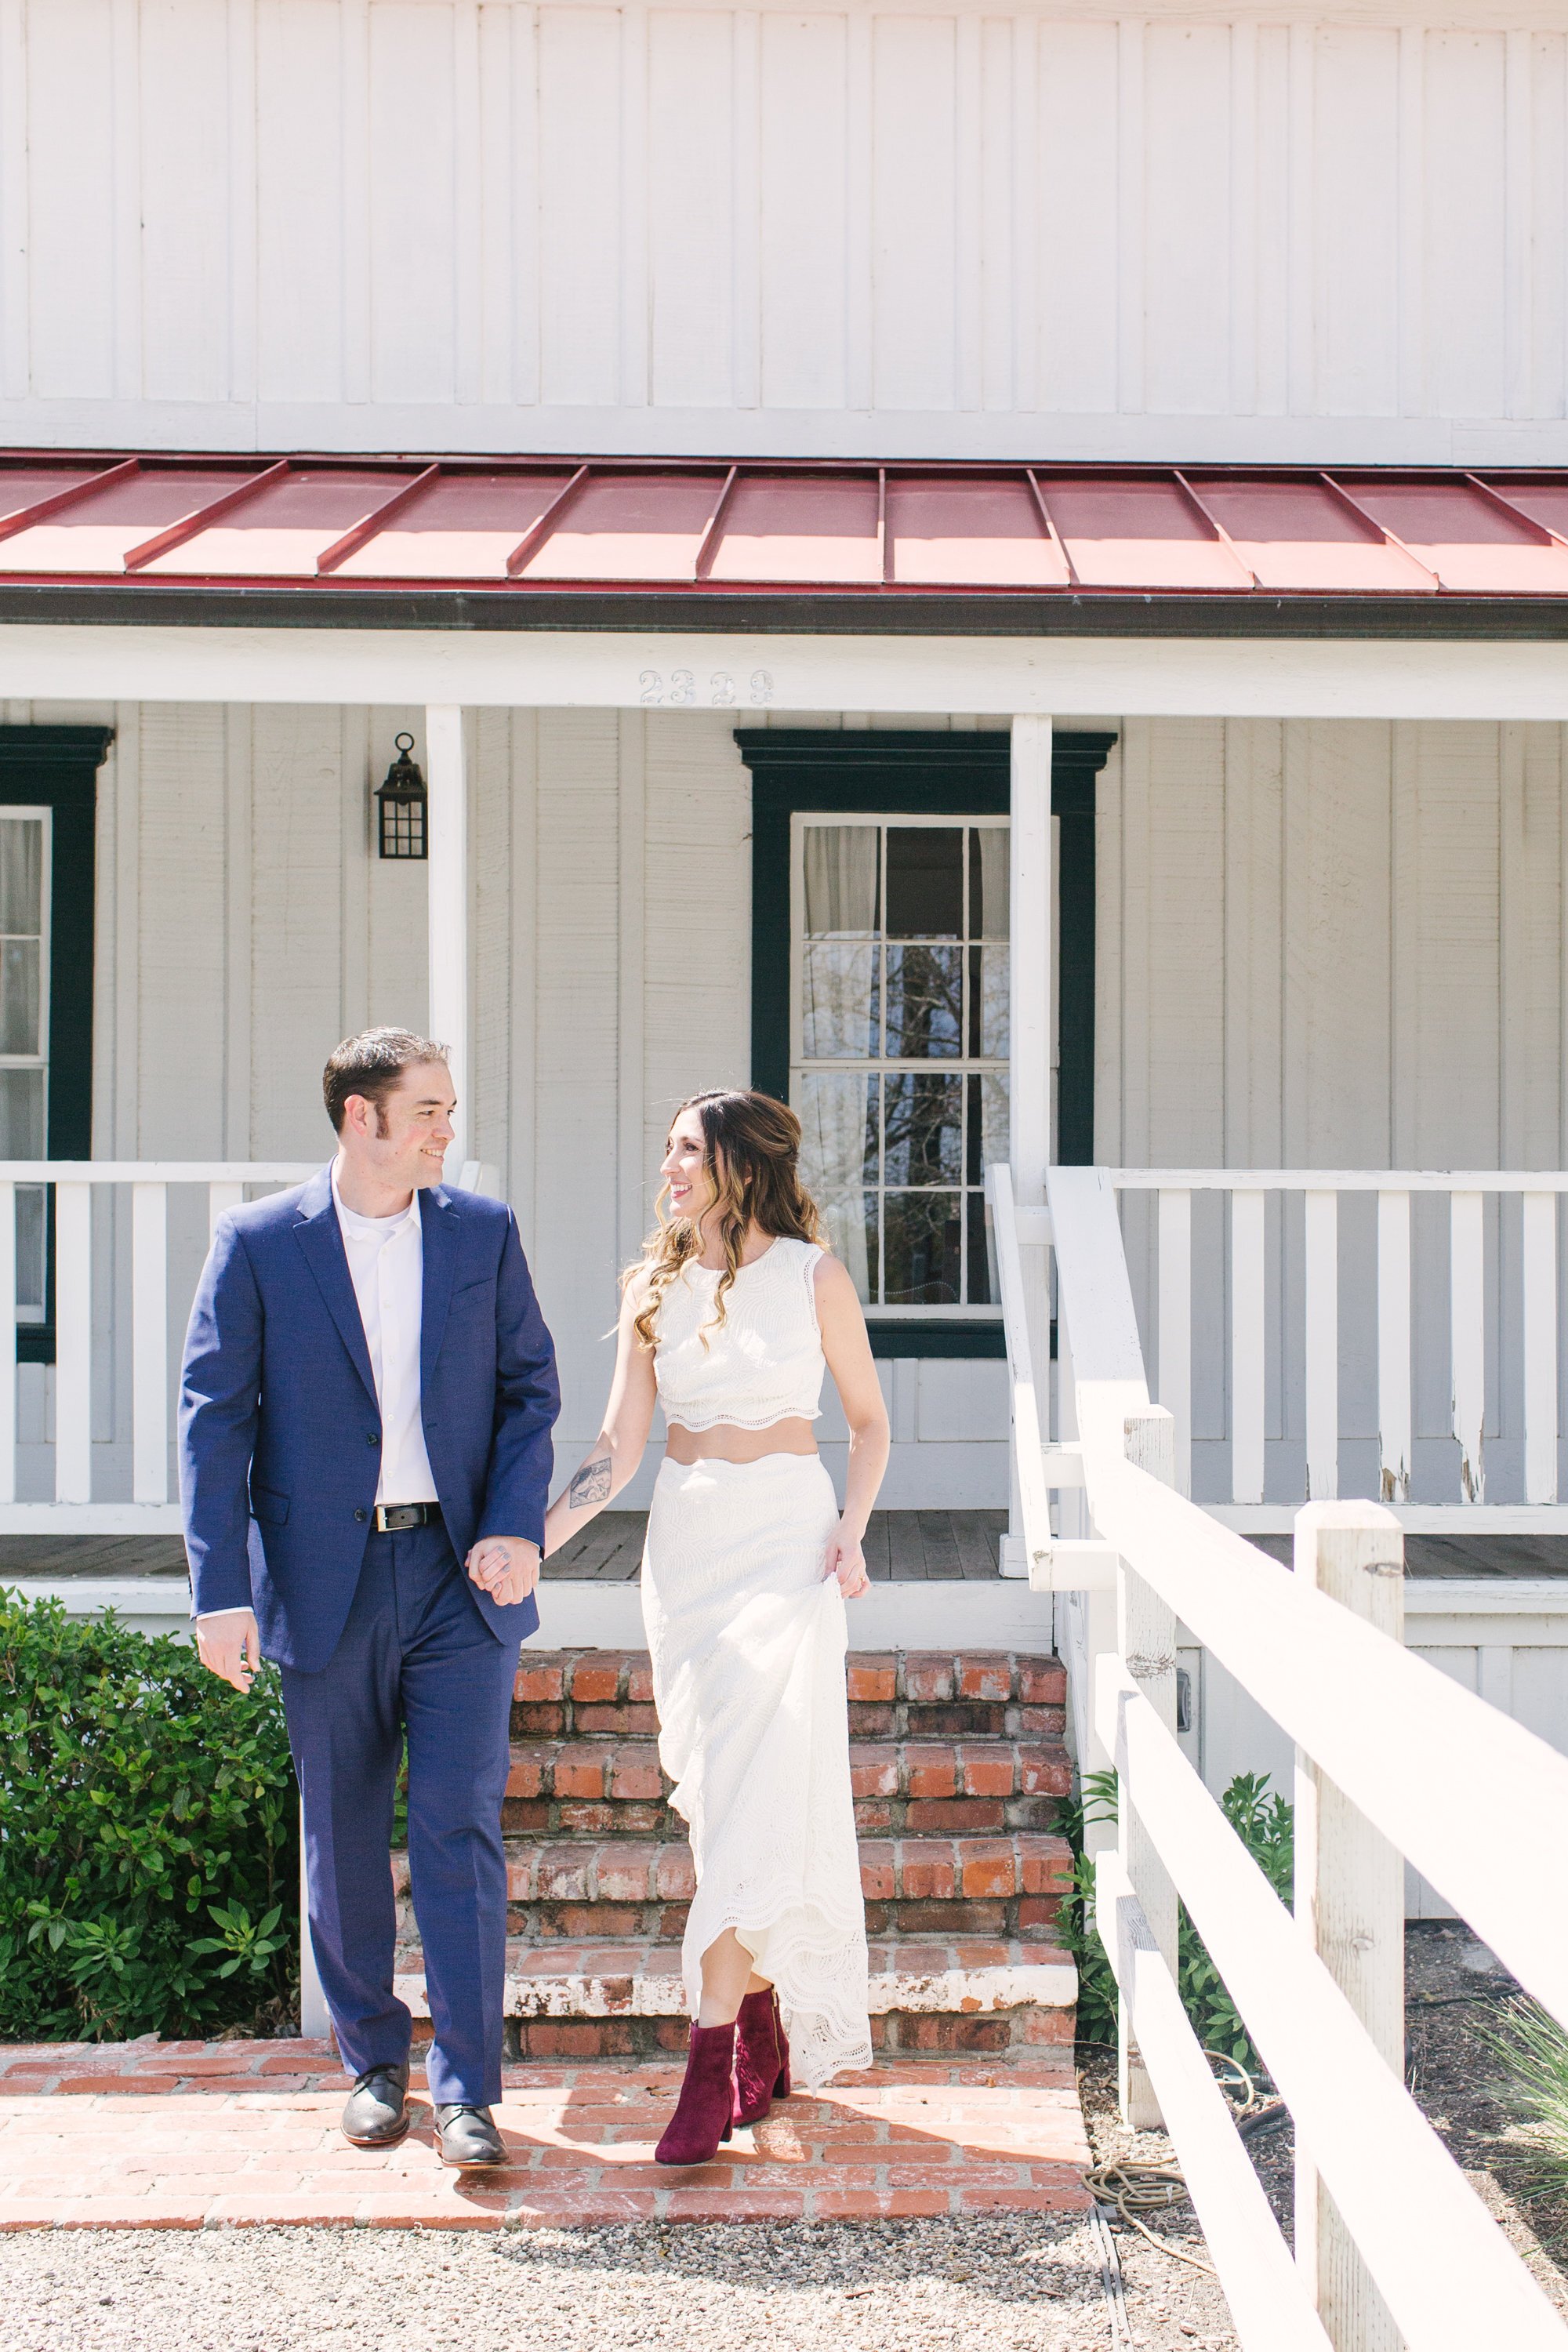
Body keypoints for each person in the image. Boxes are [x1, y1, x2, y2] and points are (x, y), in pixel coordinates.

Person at [180, 1028, 559, 2170]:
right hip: (320, 1581)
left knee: (459, 1825)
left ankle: (471, 2090)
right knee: (342, 1829)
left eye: (448, 1107)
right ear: (363, 1118)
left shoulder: (483, 1236)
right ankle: (372, 2066)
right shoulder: (257, 1244)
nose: (449, 1128)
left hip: (456, 1581)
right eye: (430, 1108)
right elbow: (214, 1421)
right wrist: (220, 1594)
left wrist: (510, 1522)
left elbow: (529, 1389)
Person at [543, 1087, 890, 2165]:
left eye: (689, 1149)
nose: (671, 1166)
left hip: (787, 1550)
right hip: (687, 1556)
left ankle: (706, 2066)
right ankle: (762, 2028)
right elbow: (616, 1445)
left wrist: (852, 1530)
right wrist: (533, 1543)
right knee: (717, 1799)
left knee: (752, 1792)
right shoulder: (652, 1285)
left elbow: (870, 1424)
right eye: (668, 1149)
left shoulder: (812, 1275)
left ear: (740, 1161)